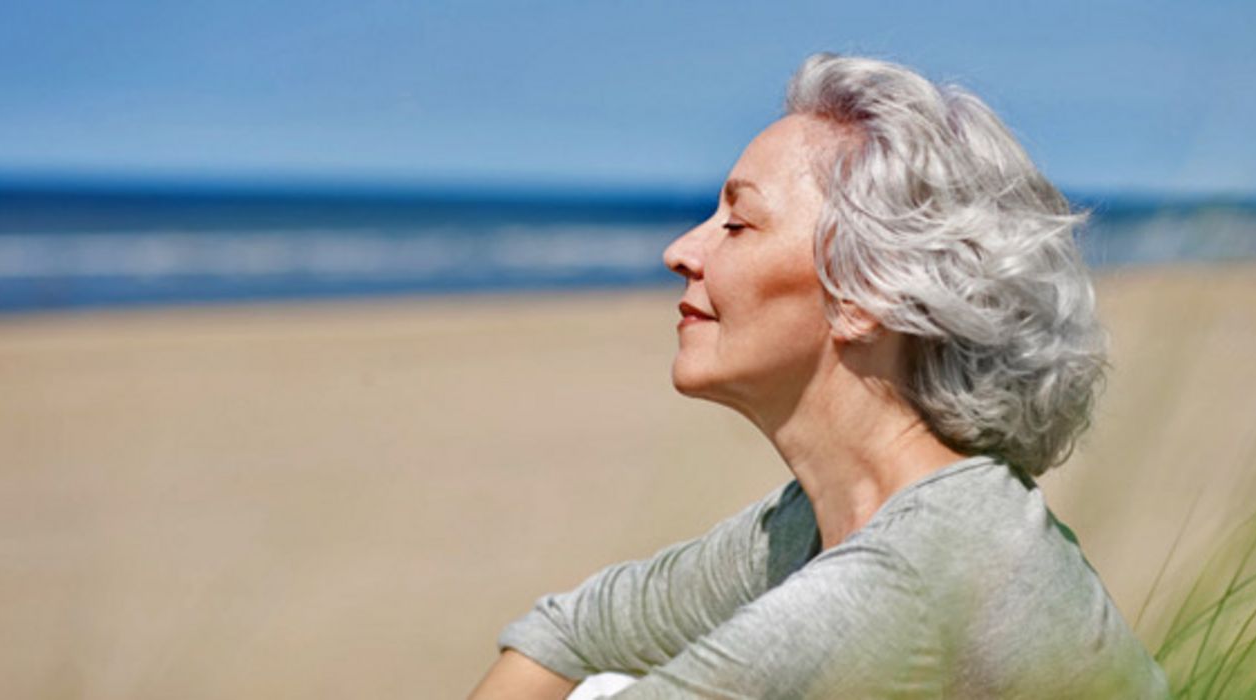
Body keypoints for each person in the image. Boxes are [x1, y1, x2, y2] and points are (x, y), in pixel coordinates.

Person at [469, 53, 1170, 699]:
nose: (680, 250)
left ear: (865, 294)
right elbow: (565, 632)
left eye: (737, 225)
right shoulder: (820, 522)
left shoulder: (911, 577)